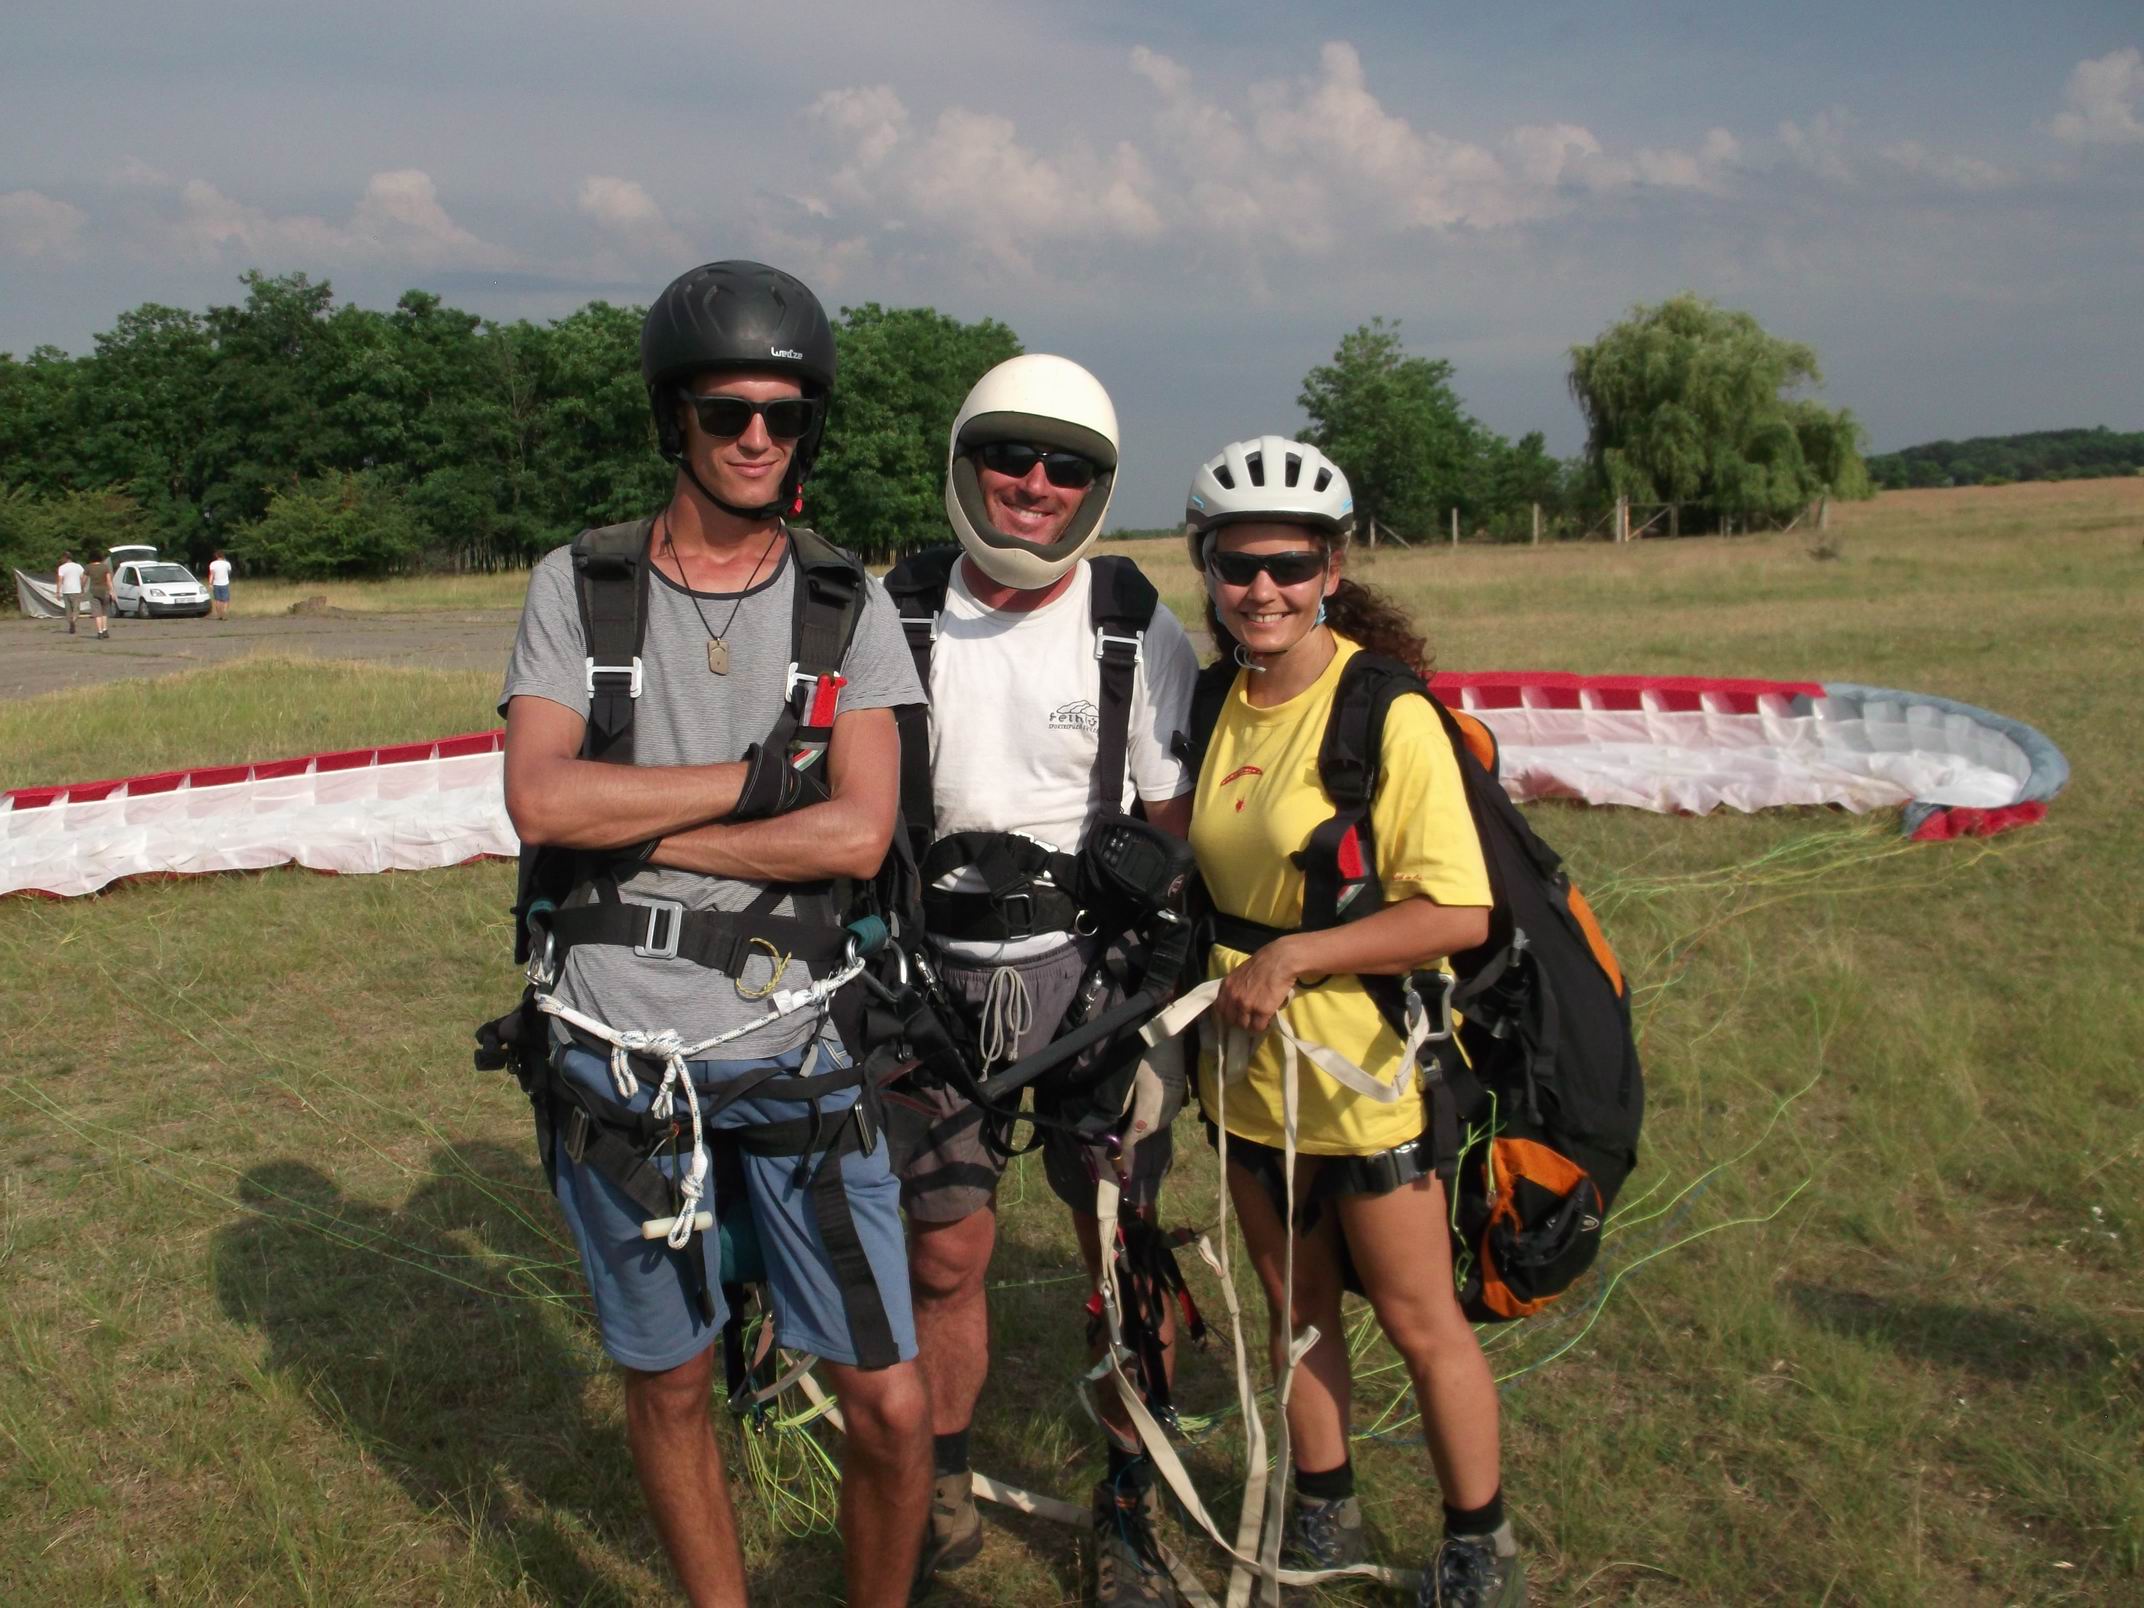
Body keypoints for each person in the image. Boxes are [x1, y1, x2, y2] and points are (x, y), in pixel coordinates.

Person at [499, 260, 930, 1607]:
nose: (756, 438)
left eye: (783, 416)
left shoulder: (846, 604)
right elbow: (539, 798)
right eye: (726, 412)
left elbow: (855, 834)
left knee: (890, 1402)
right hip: (616, 1057)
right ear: (671, 420)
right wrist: (753, 787)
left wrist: (633, 828)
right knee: (671, 1380)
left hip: (797, 1046)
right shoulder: (582, 586)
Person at [1180, 437, 1524, 1607]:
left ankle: (1478, 1548)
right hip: (1242, 1080)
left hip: (1363, 1079)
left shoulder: (1383, 711)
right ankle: (1322, 1510)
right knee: (1295, 1312)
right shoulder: (1213, 700)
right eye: (1236, 565)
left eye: (1287, 564)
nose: (1260, 589)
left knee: (1421, 1322)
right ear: (1207, 570)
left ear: (1330, 569)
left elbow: (1458, 912)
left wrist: (1296, 954)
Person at [888, 354, 1202, 1607]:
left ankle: (1130, 1499)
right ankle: (939, 1488)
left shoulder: (1133, 624)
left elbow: (1174, 821)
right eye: (1008, 456)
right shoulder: (895, 614)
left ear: (1095, 486)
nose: (1033, 482)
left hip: (1094, 986)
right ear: (964, 464)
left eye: (1064, 466)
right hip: (929, 981)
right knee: (944, 1254)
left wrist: (1151, 942)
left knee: (1122, 1252)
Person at [55, 551, 87, 635]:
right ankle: (73, 620)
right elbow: (83, 577)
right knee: (76, 609)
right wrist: (82, 587)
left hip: (66, 590)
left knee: (68, 610)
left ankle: (70, 622)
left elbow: (60, 580)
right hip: (76, 590)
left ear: (65, 558)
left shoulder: (62, 568)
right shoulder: (78, 566)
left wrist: (58, 592)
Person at [86, 550, 112, 639]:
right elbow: (109, 580)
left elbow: (84, 579)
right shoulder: (105, 567)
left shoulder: (89, 567)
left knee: (97, 614)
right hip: (105, 591)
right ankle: (105, 630)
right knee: (104, 613)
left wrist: (81, 587)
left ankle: (100, 632)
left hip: (94, 592)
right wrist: (112, 591)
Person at [207, 550, 233, 620]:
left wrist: (210, 583)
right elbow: (229, 572)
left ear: (216, 556)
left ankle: (219, 615)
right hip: (225, 583)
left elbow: (212, 574)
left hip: (216, 583)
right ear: (223, 555)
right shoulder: (227, 564)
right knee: (226, 600)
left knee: (218, 600)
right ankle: (224, 613)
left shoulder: (213, 564)